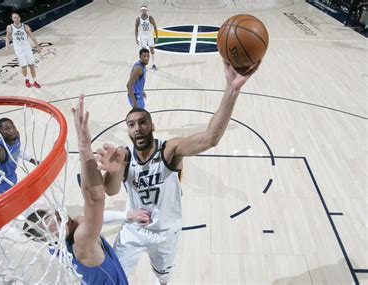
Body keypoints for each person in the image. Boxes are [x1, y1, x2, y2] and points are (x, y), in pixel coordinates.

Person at [96, 61, 261, 285]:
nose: (137, 128)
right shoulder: (123, 157)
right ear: (128, 131)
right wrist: (114, 171)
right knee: (114, 277)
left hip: (165, 232)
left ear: (152, 126)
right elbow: (111, 190)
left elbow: (209, 139)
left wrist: (232, 90)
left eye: (142, 122)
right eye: (131, 124)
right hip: (133, 229)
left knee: (163, 278)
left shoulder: (169, 150)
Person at [23, 95, 130, 284]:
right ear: (51, 239)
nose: (61, 216)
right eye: (55, 222)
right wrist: (84, 147)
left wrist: (126, 216)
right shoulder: (81, 243)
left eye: (55, 215)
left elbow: (92, 216)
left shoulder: (69, 235)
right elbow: (95, 199)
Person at [5, 12, 42, 88]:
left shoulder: (25, 26)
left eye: (17, 17)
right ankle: (26, 80)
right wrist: (7, 46)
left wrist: (37, 46)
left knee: (31, 65)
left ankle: (34, 81)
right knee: (24, 66)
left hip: (27, 49)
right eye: (14, 17)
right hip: (19, 50)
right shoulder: (9, 27)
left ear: (20, 18)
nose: (16, 19)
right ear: (12, 19)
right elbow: (8, 37)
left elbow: (32, 36)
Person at [135, 6, 158, 70]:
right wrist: (136, 38)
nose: (144, 11)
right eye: (142, 10)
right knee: (144, 52)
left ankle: (153, 64)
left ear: (147, 10)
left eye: (145, 10)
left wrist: (156, 37)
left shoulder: (150, 18)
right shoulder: (138, 19)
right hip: (143, 37)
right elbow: (136, 29)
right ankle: (143, 66)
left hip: (150, 36)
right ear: (141, 11)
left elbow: (155, 27)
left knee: (152, 50)